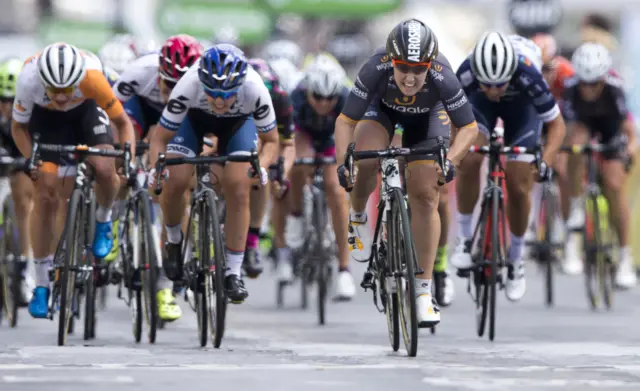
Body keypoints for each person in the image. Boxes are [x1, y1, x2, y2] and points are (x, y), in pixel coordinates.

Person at [335, 19, 480, 326]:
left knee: (426, 195)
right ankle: (358, 214)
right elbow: (345, 121)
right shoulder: (375, 68)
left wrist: (451, 159)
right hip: (382, 112)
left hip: (428, 119)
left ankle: (423, 293)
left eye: (419, 69)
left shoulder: (443, 76)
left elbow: (469, 128)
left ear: (430, 64)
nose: (411, 78)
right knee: (366, 161)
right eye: (404, 68)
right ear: (391, 60)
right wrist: (342, 162)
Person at [12, 43, 135, 318]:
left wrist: (127, 159)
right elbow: (18, 128)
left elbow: (123, 124)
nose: (61, 96)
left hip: (87, 113)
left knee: (105, 169)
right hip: (46, 122)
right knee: (46, 193)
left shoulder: (92, 77)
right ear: (43, 81)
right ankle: (42, 284)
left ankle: (103, 222)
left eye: (67, 89)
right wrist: (32, 159)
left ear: (77, 80)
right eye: (54, 90)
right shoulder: (28, 80)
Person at [149, 44, 280, 303]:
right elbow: (160, 139)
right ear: (202, 83)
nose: (220, 101)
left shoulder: (254, 88)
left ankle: (232, 271)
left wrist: (262, 167)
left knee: (238, 185)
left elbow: (272, 141)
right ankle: (174, 241)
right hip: (193, 122)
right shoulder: (188, 85)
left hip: (238, 125)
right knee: (175, 179)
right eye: (212, 94)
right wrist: (157, 169)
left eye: (227, 95)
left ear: (240, 84)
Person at [451, 31, 566, 301]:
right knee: (469, 158)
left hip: (522, 111)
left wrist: (546, 160)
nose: (493, 90)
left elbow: (557, 126)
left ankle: (515, 260)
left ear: (510, 75)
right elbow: (449, 118)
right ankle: (465, 239)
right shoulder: (466, 72)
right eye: (487, 84)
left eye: (499, 84)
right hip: (479, 110)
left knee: (518, 182)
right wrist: (453, 152)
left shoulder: (528, 73)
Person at [112, 34, 204, 321]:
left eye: (180, 84)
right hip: (140, 111)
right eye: (168, 82)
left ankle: (166, 278)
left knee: (177, 190)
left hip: (179, 120)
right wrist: (121, 153)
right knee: (120, 154)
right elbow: (111, 112)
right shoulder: (140, 71)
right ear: (158, 73)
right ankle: (113, 225)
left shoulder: (201, 84)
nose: (173, 90)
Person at [563, 42, 637, 289]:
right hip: (582, 127)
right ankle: (576, 205)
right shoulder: (571, 89)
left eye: (594, 83)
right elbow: (565, 128)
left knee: (614, 186)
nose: (589, 89)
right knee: (575, 143)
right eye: (584, 83)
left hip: (611, 130)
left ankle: (625, 257)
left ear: (604, 78)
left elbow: (629, 131)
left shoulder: (615, 90)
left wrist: (628, 151)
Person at [285, 55, 355, 300]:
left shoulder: (347, 99)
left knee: (336, 189)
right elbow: (288, 142)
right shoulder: (296, 97)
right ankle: (295, 215)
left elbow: (352, 138)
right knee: (299, 166)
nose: (324, 103)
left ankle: (344, 270)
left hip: (332, 137)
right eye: (318, 97)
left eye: (330, 98)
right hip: (303, 135)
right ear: (308, 92)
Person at [244, 58, 295, 279]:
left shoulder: (280, 98)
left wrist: (281, 175)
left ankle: (252, 240)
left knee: (261, 173)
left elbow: (288, 144)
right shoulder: (236, 93)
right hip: (237, 127)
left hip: (266, 143)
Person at [0, 58, 35, 305]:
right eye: (2, 100)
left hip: (23, 159)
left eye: (11, 101)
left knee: (24, 200)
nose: (6, 107)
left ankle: (25, 262)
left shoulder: (33, 115)